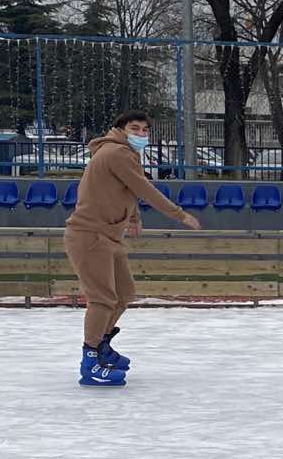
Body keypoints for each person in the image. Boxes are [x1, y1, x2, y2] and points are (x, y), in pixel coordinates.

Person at [63, 111, 201, 386]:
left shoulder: (121, 153)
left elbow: (124, 189)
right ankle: (90, 362)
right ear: (119, 130)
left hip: (109, 236)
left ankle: (101, 344)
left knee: (125, 293)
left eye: (144, 130)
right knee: (102, 299)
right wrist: (179, 215)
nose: (140, 134)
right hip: (90, 235)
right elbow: (143, 187)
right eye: (134, 129)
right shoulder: (116, 153)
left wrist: (134, 218)